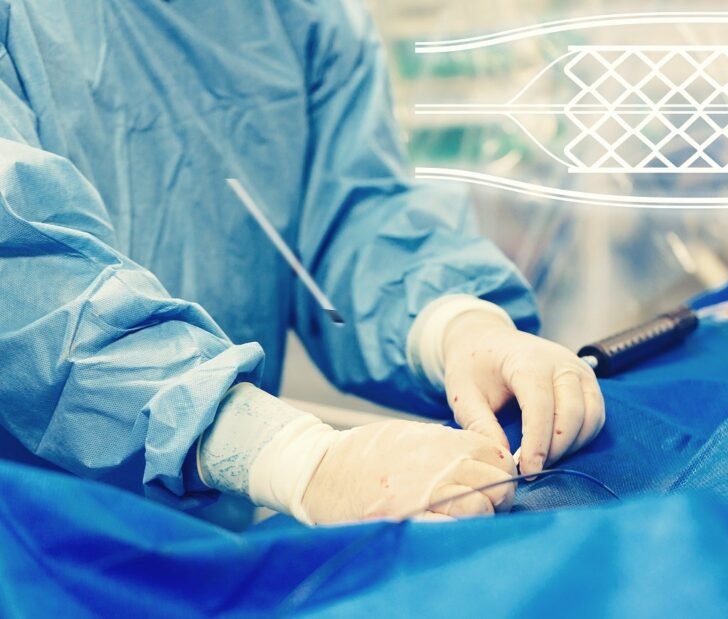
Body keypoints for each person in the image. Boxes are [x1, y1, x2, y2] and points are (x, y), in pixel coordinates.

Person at [0, 1, 604, 524]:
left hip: (217, 540)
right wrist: (289, 457)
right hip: (33, 549)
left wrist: (454, 325)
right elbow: (27, 285)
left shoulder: (300, 16)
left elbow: (346, 213)